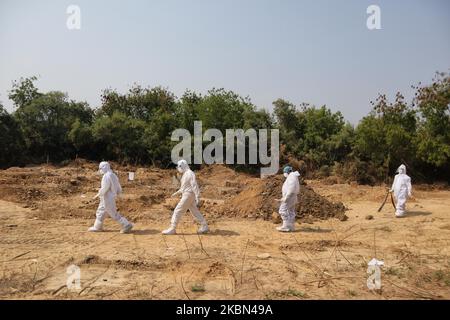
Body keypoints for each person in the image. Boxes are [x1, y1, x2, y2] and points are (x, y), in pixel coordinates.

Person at [162, 160, 209, 235]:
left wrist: (198, 196)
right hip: (188, 194)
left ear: (182, 165)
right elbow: (184, 187)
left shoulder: (189, 173)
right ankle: (204, 226)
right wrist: (177, 193)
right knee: (194, 211)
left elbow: (194, 185)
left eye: (178, 166)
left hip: (188, 195)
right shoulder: (185, 174)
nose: (178, 168)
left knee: (177, 210)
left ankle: (172, 228)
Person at [88, 161, 133, 233]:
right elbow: (118, 186)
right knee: (101, 212)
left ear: (104, 167)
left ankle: (126, 225)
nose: (100, 170)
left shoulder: (106, 176)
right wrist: (118, 193)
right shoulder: (113, 175)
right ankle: (97, 227)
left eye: (101, 168)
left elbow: (105, 188)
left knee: (113, 213)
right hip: (108, 197)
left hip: (107, 198)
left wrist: (98, 194)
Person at [276, 165, 300, 232]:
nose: (284, 173)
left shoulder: (291, 177)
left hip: (290, 197)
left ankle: (285, 226)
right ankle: (291, 226)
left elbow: (291, 188)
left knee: (282, 210)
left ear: (287, 172)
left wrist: (286, 197)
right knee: (290, 211)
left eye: (284, 172)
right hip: (292, 196)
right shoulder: (293, 176)